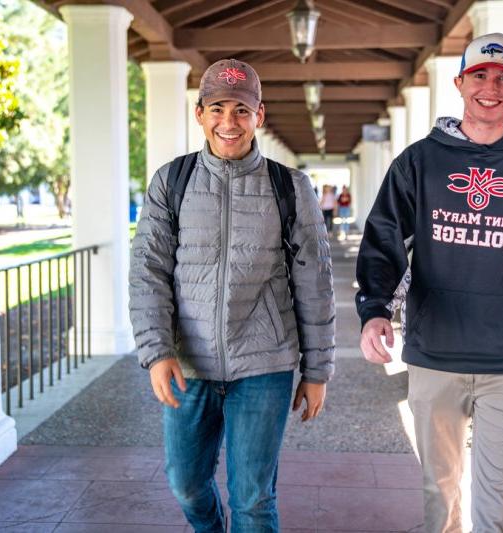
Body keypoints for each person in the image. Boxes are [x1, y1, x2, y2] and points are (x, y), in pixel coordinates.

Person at [355, 33, 503, 533]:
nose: (491, 87)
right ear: (460, 82)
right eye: (479, 75)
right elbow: (385, 239)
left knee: (502, 497)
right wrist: (375, 311)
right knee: (439, 493)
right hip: (434, 353)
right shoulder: (417, 162)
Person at [129, 58, 335, 533]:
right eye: (218, 108)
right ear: (199, 114)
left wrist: (317, 370)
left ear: (259, 117)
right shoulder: (171, 182)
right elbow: (148, 272)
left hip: (264, 366)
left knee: (254, 499)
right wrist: (157, 350)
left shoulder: (290, 187)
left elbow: (315, 282)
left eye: (241, 111)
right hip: (190, 366)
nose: (229, 122)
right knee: (186, 483)